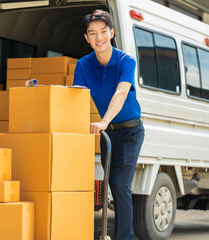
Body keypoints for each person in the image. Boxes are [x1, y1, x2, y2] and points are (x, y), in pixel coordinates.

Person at [73, 9, 145, 240]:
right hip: (107, 135)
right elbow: (76, 96)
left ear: (112, 33)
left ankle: (125, 237)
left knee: (120, 184)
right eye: (92, 33)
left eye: (103, 31)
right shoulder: (83, 65)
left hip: (130, 131)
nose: (98, 37)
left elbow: (121, 92)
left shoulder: (126, 61)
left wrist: (104, 120)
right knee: (112, 185)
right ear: (86, 38)